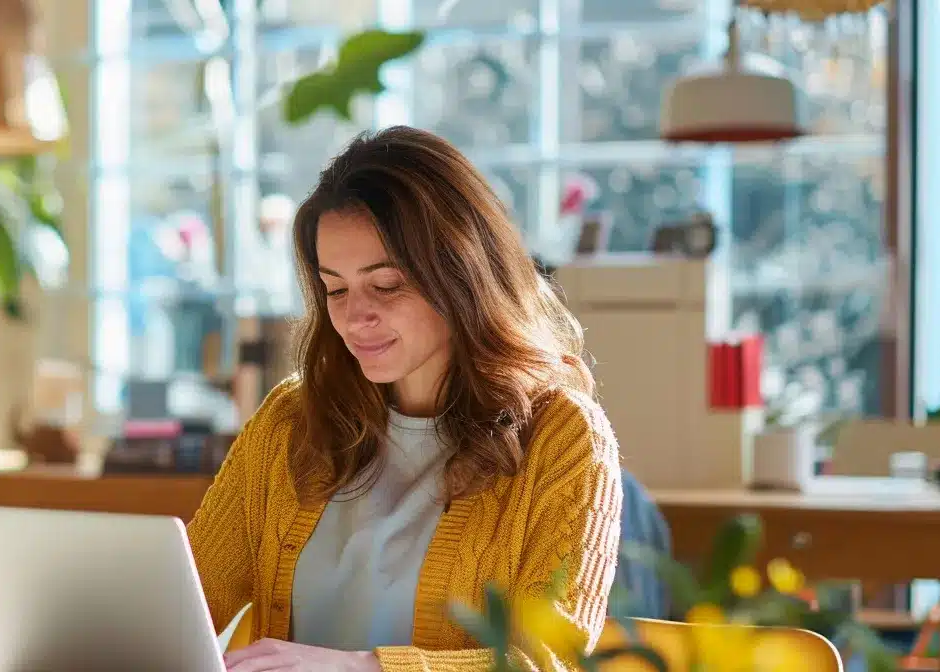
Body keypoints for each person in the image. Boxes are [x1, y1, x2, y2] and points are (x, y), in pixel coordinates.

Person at [188, 126, 623, 672]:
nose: (353, 317)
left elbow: (549, 662)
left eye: (386, 285)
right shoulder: (290, 422)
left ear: (462, 275)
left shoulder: (562, 437)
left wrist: (359, 669)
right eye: (336, 289)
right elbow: (185, 605)